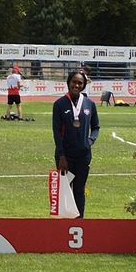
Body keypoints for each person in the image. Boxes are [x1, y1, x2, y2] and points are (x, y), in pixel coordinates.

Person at [52, 70, 100, 218]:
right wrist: (61, 155)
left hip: (83, 156)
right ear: (68, 83)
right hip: (65, 156)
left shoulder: (89, 104)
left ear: (84, 85)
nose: (76, 85)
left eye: (80, 83)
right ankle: (64, 222)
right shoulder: (59, 104)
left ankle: (79, 221)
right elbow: (57, 131)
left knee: (79, 190)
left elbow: (96, 127)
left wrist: (90, 141)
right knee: (65, 191)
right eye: (74, 82)